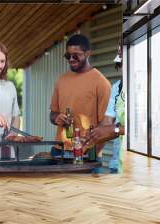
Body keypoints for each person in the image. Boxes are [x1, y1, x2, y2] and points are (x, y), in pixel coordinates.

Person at [49, 34, 111, 159]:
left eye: (76, 55)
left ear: (87, 53)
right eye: (68, 56)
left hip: (86, 153)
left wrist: (91, 156)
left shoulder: (101, 82)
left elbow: (106, 127)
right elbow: (52, 115)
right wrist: (57, 118)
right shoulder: (61, 80)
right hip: (58, 150)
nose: (71, 59)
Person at [88, 44, 125, 173]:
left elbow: (146, 132)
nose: (121, 69)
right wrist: (91, 138)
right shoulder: (117, 87)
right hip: (117, 163)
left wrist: (115, 129)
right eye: (119, 65)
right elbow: (107, 123)